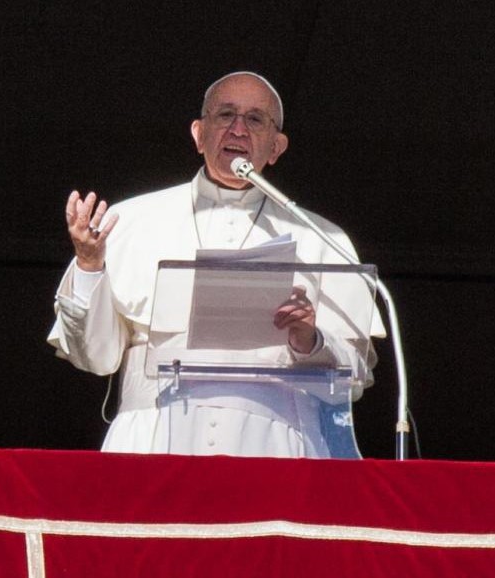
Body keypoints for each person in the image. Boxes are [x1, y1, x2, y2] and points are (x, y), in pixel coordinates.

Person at [47, 71, 384, 458]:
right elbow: (94, 357)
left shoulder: (323, 238)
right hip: (152, 444)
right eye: (225, 115)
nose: (238, 129)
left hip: (274, 448)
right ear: (198, 134)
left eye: (255, 119)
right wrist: (90, 265)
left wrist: (310, 340)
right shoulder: (129, 221)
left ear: (276, 147)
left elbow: (353, 379)